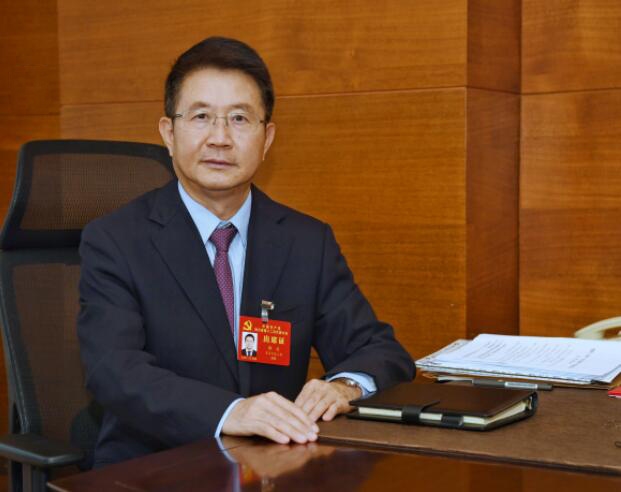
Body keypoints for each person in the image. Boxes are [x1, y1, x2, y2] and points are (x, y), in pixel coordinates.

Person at [77, 36, 415, 467]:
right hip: (155, 468)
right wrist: (230, 412)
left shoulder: (306, 242)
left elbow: (381, 351)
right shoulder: (116, 240)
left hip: (273, 468)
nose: (220, 138)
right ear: (168, 133)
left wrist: (343, 387)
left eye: (239, 118)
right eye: (201, 117)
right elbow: (114, 370)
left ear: (267, 138)